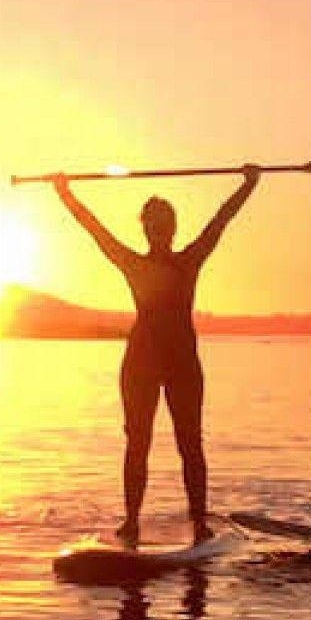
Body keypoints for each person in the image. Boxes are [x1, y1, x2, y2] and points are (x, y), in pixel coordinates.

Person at [51, 166, 259, 546]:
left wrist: (248, 184)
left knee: (190, 443)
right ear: (146, 228)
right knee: (137, 442)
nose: (159, 230)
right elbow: (93, 229)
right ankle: (131, 522)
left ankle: (199, 523)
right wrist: (65, 195)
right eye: (153, 224)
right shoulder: (135, 263)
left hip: (181, 364)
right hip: (142, 364)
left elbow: (222, 219)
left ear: (172, 227)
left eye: (164, 223)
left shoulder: (188, 260)